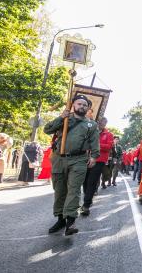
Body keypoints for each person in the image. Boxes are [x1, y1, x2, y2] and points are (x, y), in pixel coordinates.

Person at [44, 95, 99, 236]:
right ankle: (60, 219)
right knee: (59, 190)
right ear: (73, 105)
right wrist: (61, 117)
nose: (82, 106)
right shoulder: (65, 119)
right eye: (79, 104)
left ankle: (70, 222)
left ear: (88, 108)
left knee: (74, 190)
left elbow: (94, 143)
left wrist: (93, 156)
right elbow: (47, 130)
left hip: (79, 160)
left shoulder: (91, 125)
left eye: (85, 105)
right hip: (58, 159)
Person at [81, 117, 113, 215]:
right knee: (85, 181)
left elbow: (109, 147)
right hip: (85, 159)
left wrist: (96, 144)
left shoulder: (109, 134)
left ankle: (86, 205)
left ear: (105, 123)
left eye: (103, 122)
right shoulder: (90, 131)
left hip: (99, 160)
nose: (101, 124)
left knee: (92, 181)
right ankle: (88, 199)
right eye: (99, 122)